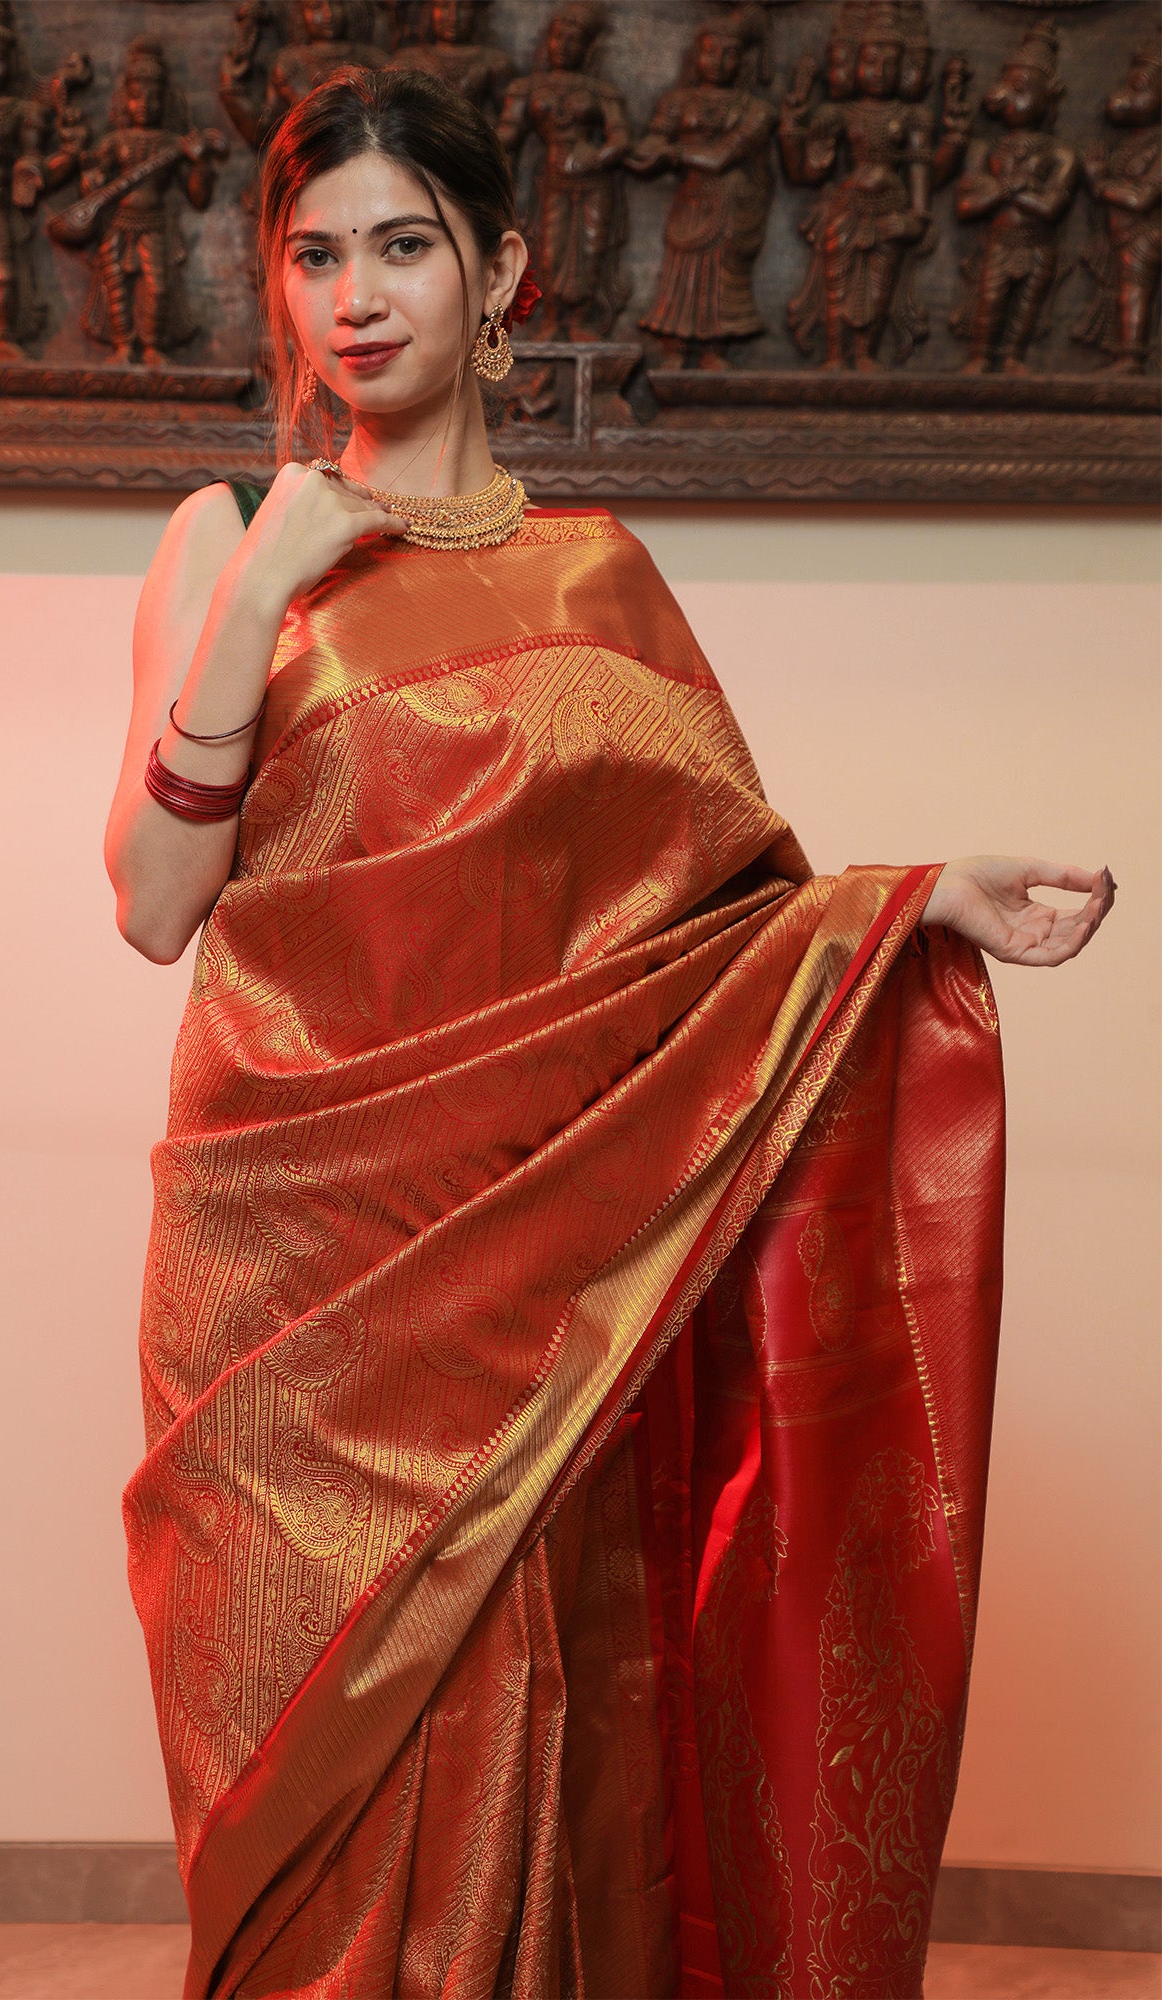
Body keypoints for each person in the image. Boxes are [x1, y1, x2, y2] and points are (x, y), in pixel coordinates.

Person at [103, 64, 1113, 2000]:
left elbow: (707, 943)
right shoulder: (222, 533)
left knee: (551, 1723)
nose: (353, 297)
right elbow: (156, 904)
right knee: (299, 1778)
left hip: (541, 1264)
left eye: (403, 246)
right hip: (287, 1273)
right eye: (311, 256)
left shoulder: (599, 576)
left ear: (500, 273)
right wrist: (260, 595)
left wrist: (911, 904)